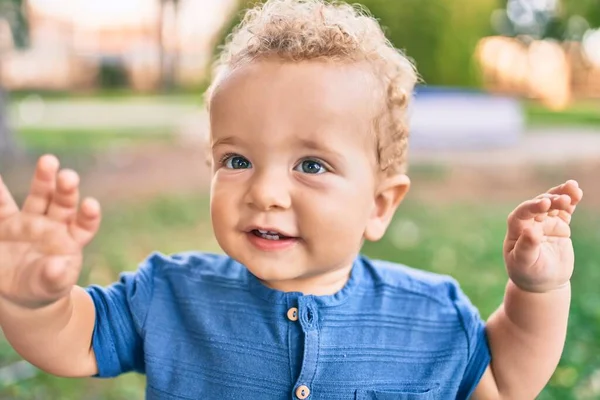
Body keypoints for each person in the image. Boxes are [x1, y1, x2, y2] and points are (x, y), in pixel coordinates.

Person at [0, 0, 584, 399]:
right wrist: (34, 303)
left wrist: (537, 290)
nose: (264, 192)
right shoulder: (169, 296)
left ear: (379, 205)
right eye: (237, 160)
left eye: (311, 165)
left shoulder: (429, 314)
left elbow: (505, 384)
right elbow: (72, 341)